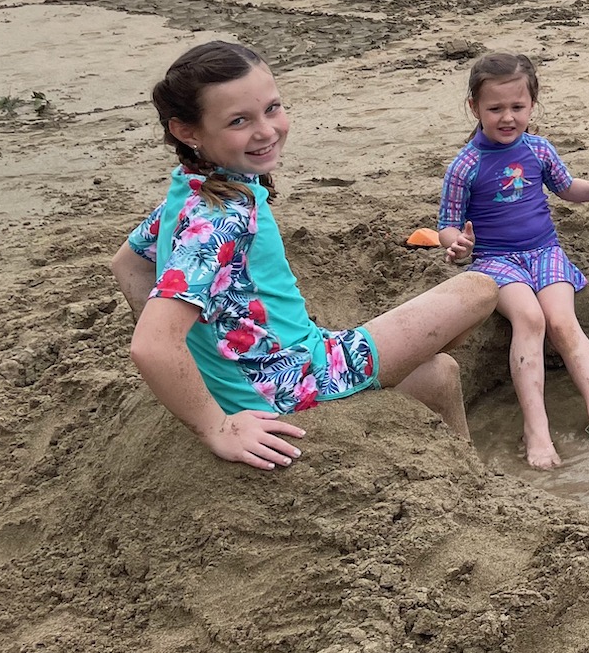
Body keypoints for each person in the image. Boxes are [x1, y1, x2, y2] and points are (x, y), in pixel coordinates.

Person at [107, 41, 499, 470]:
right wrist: (216, 426)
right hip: (298, 381)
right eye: (239, 120)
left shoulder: (190, 194)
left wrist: (201, 361)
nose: (265, 131)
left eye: (272, 109)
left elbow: (129, 263)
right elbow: (153, 345)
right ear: (188, 131)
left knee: (440, 373)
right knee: (479, 288)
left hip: (276, 367)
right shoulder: (221, 219)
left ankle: (471, 476)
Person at [438, 52, 589, 469]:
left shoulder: (539, 150)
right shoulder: (465, 165)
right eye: (495, 108)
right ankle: (536, 426)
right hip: (495, 260)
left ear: (532, 104)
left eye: (518, 107)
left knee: (562, 321)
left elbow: (567, 188)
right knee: (530, 319)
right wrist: (457, 244)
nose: (508, 117)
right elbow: (447, 224)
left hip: (545, 251)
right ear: (474, 107)